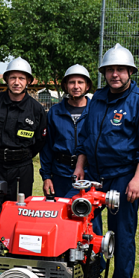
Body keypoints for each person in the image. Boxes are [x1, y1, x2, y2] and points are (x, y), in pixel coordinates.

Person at [73, 43, 139, 278]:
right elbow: (87, 136)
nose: (115, 74)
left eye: (120, 69)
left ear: (129, 72)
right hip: (93, 177)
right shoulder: (97, 99)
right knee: (86, 231)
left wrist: (138, 178)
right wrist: (79, 165)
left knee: (122, 235)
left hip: (123, 178)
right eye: (110, 70)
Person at [0, 57, 48, 242]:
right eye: (13, 77)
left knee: (20, 217)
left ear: (28, 81)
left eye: (22, 78)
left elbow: (39, 141)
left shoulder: (37, 110)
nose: (17, 82)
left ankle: (15, 264)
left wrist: (20, 155)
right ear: (6, 79)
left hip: (21, 170)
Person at [40, 64, 94, 197]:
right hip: (60, 173)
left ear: (87, 86)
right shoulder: (55, 112)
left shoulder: (95, 111)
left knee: (87, 216)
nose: (76, 86)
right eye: (72, 82)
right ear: (65, 85)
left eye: (80, 82)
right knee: (60, 215)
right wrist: (47, 177)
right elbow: (47, 146)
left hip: (88, 174)